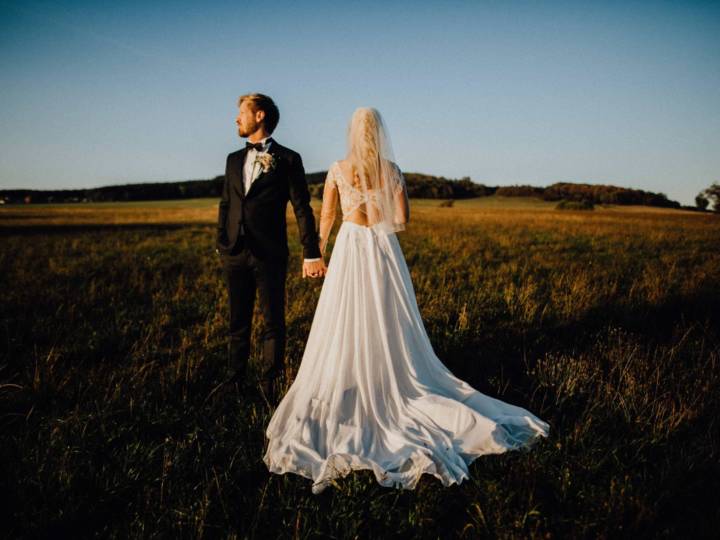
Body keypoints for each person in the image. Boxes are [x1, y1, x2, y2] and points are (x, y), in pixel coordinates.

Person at [262, 107, 551, 494]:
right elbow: (402, 218)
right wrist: (377, 213)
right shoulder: (393, 170)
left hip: (350, 247)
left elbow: (327, 216)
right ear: (379, 133)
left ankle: (356, 375)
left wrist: (319, 251)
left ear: (351, 132)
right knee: (387, 315)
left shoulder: (337, 169)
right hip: (382, 248)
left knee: (347, 316)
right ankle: (388, 372)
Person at [215, 93, 327, 405]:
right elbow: (227, 204)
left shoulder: (289, 159)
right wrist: (221, 243)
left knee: (272, 321)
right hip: (234, 252)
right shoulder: (232, 160)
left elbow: (302, 207)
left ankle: (270, 386)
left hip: (270, 253)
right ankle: (234, 382)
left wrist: (311, 251)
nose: (237, 119)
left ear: (260, 115)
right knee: (237, 321)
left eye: (241, 112)